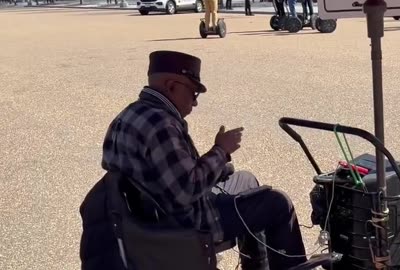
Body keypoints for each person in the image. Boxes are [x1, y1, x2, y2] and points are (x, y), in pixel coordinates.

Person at [87, 51, 308, 270]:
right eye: (193, 93)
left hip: (146, 217)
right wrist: (221, 150)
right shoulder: (162, 124)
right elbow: (187, 189)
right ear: (171, 85)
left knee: (245, 180)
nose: (195, 103)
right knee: (277, 204)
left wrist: (218, 164)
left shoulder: (128, 115)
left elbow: (168, 175)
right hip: (184, 225)